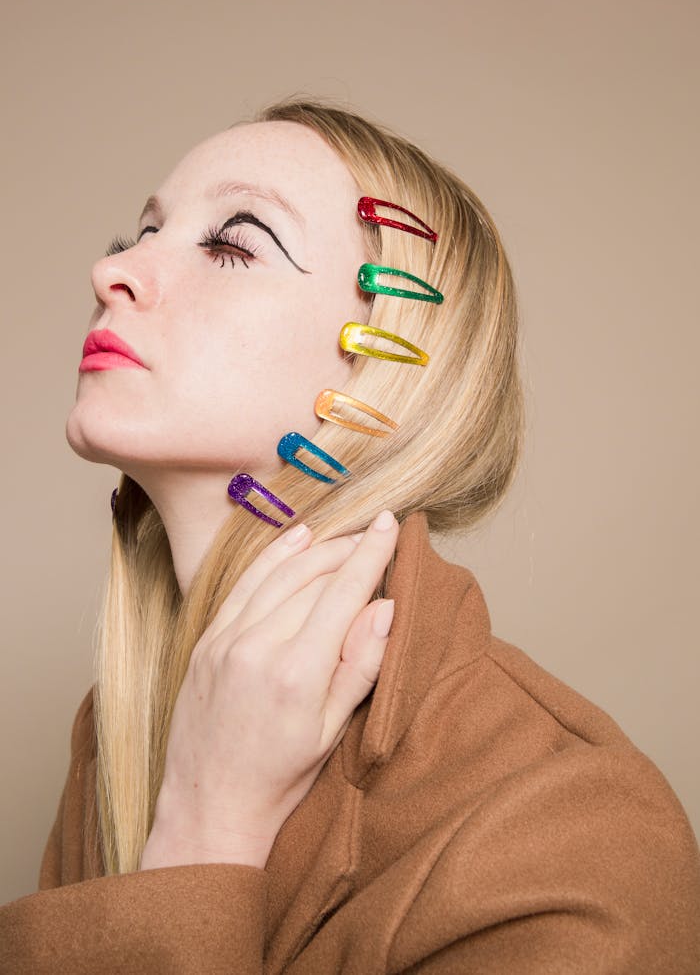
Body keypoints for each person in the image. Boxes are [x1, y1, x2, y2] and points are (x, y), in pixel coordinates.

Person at [1, 99, 699, 974]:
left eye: (232, 242)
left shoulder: (572, 827)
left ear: (392, 358)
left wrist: (207, 829)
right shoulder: (118, 732)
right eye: (135, 234)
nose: (114, 274)